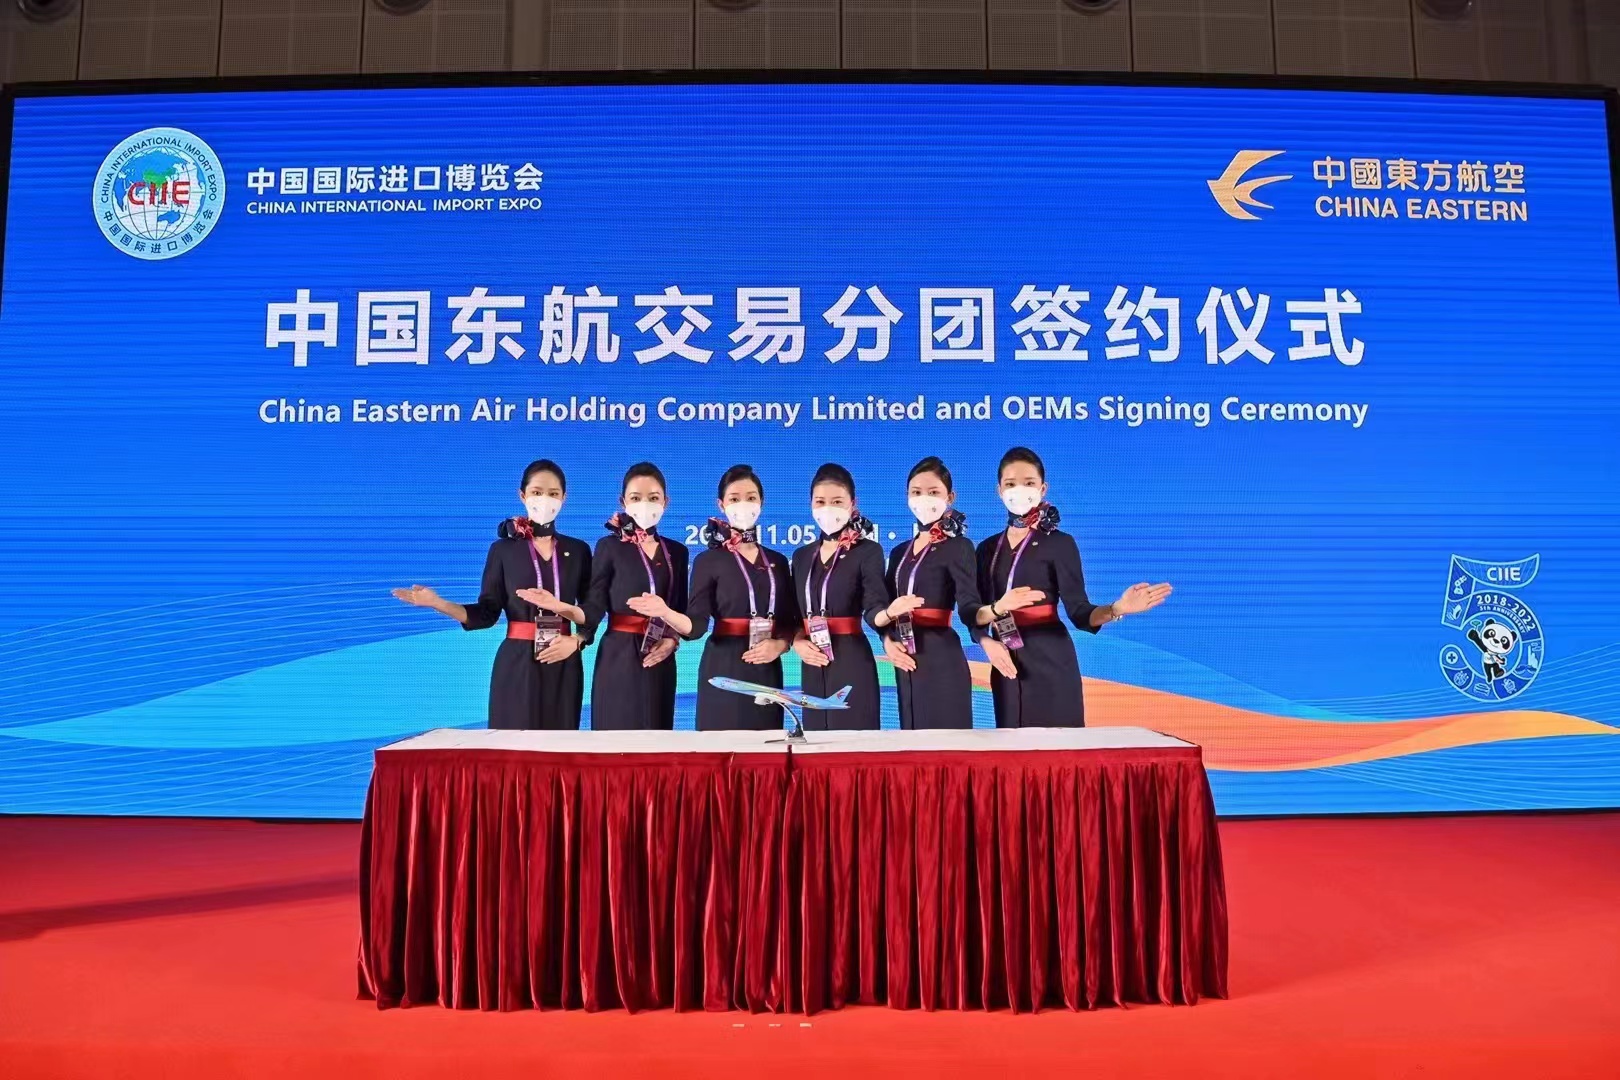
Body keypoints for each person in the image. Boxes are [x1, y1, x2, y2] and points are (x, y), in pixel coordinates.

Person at [974, 447, 1173, 728]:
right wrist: (986, 642)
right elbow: (974, 613)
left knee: (1061, 749)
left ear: (1042, 489)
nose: (1019, 490)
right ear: (999, 491)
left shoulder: (1060, 543)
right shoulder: (986, 549)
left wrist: (1117, 608)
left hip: (1052, 663)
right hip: (1005, 664)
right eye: (1010, 484)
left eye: (1029, 483)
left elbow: (1080, 613)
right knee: (1012, 749)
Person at [391, 459, 593, 730]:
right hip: (517, 661)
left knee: (560, 743)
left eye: (553, 493)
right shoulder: (503, 551)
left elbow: (592, 610)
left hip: (563, 658)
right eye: (536, 492)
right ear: (522, 495)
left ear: (564, 498)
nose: (545, 499)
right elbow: (486, 613)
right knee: (513, 744)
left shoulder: (578, 550)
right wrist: (438, 603)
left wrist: (577, 641)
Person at [873, 457, 990, 730]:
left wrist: (990, 621)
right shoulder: (899, 552)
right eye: (916, 492)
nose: (923, 498)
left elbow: (970, 606)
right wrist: (887, 641)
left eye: (933, 491)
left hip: (941, 655)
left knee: (946, 742)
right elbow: (882, 606)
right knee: (912, 739)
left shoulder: (959, 546)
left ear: (950, 497)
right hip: (904, 654)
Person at [683, 465, 799, 731]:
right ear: (721, 504)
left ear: (761, 503)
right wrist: (667, 615)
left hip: (767, 664)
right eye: (734, 498)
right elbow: (696, 621)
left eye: (751, 497)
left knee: (766, 744)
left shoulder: (778, 561)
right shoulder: (707, 560)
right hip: (722, 663)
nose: (743, 504)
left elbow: (790, 619)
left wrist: (780, 645)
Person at [581, 462, 689, 730]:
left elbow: (680, 607)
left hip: (660, 654)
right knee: (615, 733)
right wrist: (579, 635)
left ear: (665, 502)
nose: (645, 504)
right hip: (618, 653)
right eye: (636, 498)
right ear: (623, 502)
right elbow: (595, 602)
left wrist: (671, 641)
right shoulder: (609, 546)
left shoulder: (677, 552)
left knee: (657, 732)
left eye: (653, 498)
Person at [789, 463, 891, 731]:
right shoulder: (801, 556)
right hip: (812, 659)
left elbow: (874, 605)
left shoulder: (868, 551)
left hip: (851, 657)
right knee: (815, 740)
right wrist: (798, 641)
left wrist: (889, 614)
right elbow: (794, 614)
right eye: (820, 501)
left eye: (837, 501)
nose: (828, 508)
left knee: (853, 739)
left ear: (852, 504)